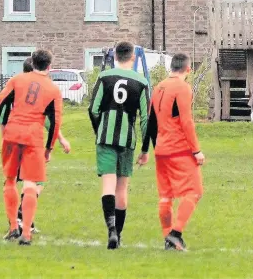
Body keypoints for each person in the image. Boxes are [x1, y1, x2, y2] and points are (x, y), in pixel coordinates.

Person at [0, 50, 63, 245]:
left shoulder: (17, 79)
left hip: (12, 134)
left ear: (33, 63)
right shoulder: (53, 89)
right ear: (49, 66)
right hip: (34, 138)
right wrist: (50, 147)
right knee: (30, 184)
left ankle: (13, 226)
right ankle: (26, 234)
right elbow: (55, 122)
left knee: (10, 180)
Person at [88, 41, 150, 250]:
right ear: (133, 58)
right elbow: (145, 119)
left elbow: (93, 109)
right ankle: (119, 236)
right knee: (122, 188)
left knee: (108, 184)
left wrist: (100, 130)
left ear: (115, 57)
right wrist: (144, 149)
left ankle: (111, 230)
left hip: (105, 137)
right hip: (127, 140)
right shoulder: (141, 82)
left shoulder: (104, 77)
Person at [142, 53, 205, 252]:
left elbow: (150, 122)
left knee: (166, 196)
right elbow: (186, 121)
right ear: (188, 70)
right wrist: (196, 150)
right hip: (178, 148)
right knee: (194, 191)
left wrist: (146, 149)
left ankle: (167, 237)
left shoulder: (159, 87)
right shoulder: (183, 88)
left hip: (161, 149)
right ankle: (175, 234)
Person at [10, 58, 72, 234]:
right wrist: (57, 142)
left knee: (19, 182)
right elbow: (49, 120)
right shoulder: (41, 88)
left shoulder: (17, 85)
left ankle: (19, 221)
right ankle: (23, 218)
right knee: (36, 181)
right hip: (30, 140)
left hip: (13, 138)